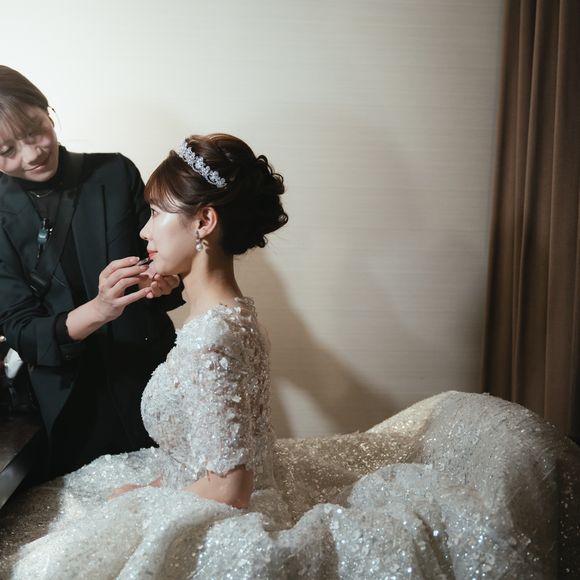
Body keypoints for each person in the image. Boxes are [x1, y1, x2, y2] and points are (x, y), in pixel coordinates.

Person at [0, 133, 578, 579]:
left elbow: (229, 490)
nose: (143, 231)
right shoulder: (231, 314)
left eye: (155, 214)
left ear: (204, 221)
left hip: (224, 516)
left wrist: (143, 498)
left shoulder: (211, 338)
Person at [0, 66, 183, 479]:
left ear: (47, 110)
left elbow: (164, 264)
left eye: (34, 131)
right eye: (6, 150)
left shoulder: (115, 173)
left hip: (153, 379)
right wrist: (100, 309)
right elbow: (22, 332)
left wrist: (163, 281)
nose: (30, 154)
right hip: (69, 405)